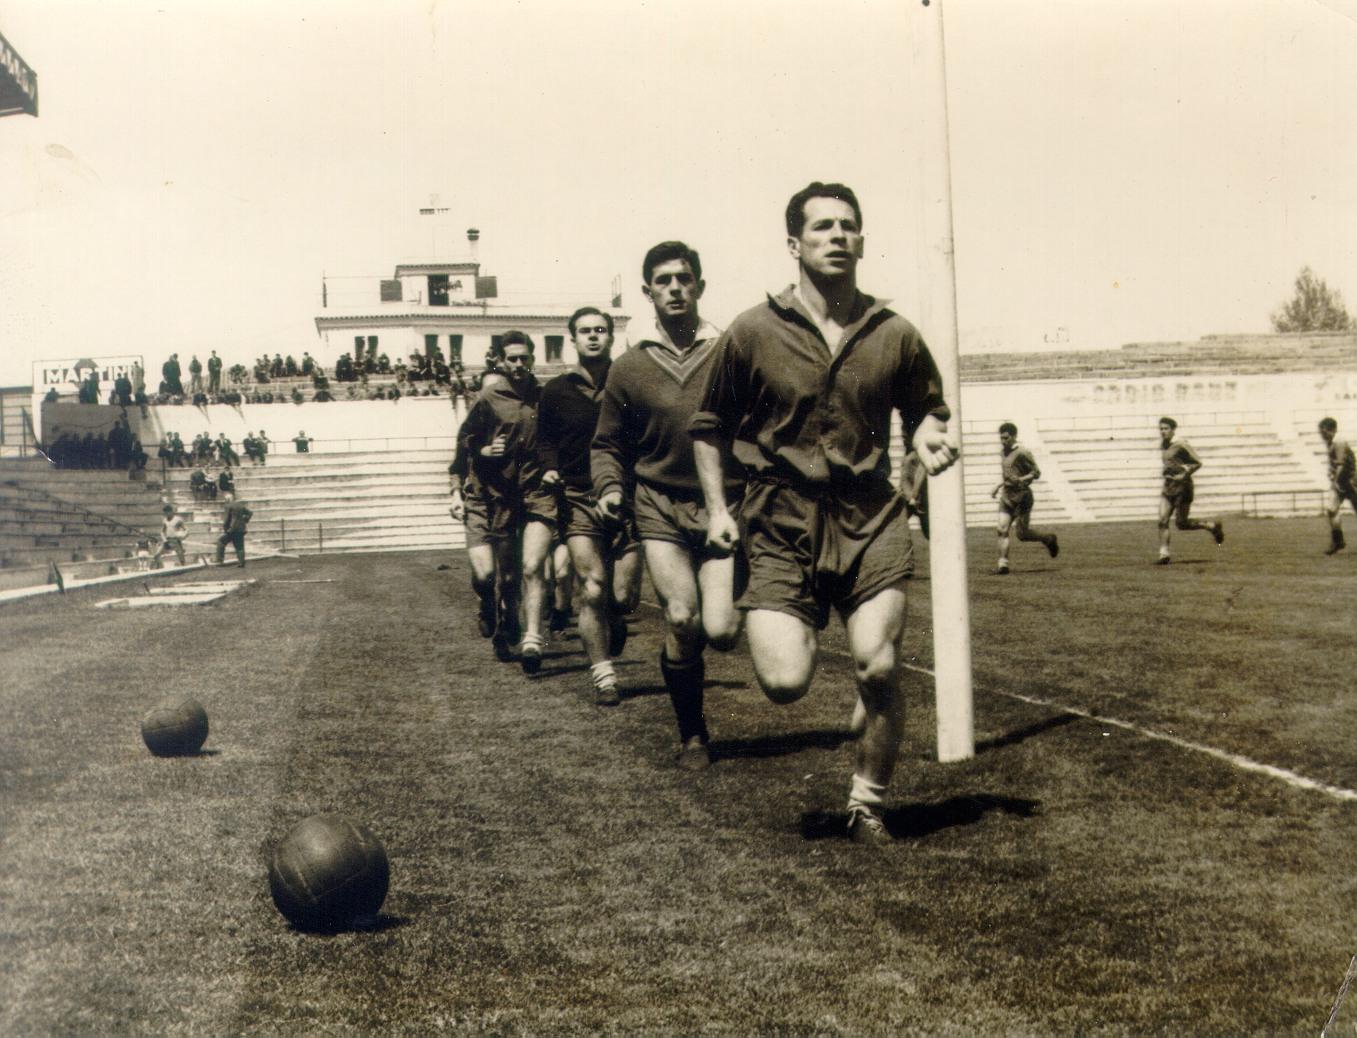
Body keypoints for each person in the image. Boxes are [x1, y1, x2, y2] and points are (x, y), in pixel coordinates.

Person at [689, 182, 960, 843]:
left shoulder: (893, 333)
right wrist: (718, 508)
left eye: (847, 226)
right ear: (794, 245)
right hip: (777, 519)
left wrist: (927, 432)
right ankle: (783, 616)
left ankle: (866, 802)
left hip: (869, 517)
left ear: (861, 241)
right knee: (784, 682)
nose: (836, 236)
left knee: (879, 664)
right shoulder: (752, 331)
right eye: (821, 228)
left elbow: (927, 406)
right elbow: (706, 424)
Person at [593, 241, 741, 763]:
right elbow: (607, 443)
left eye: (684, 278)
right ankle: (692, 733)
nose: (675, 288)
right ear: (647, 292)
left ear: (699, 285)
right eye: (663, 281)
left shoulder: (730, 351)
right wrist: (611, 488)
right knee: (680, 617)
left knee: (720, 629)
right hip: (658, 504)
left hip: (723, 503)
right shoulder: (628, 367)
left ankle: (694, 664)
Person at [537, 306, 643, 704]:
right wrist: (549, 468)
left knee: (623, 597)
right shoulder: (556, 390)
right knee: (592, 588)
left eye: (600, 330)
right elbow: (544, 440)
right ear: (573, 338)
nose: (593, 337)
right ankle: (604, 676)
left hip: (627, 499)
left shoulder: (629, 382)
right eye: (585, 331)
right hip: (578, 497)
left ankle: (614, 619)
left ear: (611, 337)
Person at [456, 332, 555, 669]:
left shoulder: (543, 396)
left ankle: (509, 625)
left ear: (532, 359)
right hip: (497, 494)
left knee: (519, 573)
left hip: (532, 493)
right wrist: (484, 450)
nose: (518, 365)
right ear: (499, 360)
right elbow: (466, 440)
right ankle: (490, 607)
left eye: (524, 358)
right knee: (493, 576)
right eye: (511, 359)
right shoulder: (489, 397)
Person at [991, 422, 1059, 574]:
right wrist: (999, 485)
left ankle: (1048, 539)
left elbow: (1036, 472)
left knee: (1022, 534)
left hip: (1022, 497)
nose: (1003, 441)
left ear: (1014, 436)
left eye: (1006, 438)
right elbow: (1009, 475)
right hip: (1007, 496)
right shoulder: (1003, 452)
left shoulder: (1022, 452)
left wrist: (1022, 479)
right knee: (1001, 529)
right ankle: (1003, 565)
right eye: (1001, 438)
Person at [1156, 416, 1224, 564]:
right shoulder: (1164, 444)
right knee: (1162, 520)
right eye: (1161, 429)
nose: (1162, 431)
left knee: (1181, 524)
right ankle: (1164, 554)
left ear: (1173, 430)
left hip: (1183, 488)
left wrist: (1184, 473)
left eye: (1166, 428)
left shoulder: (1181, 444)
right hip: (1168, 487)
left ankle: (1211, 526)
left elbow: (1197, 462)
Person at [1318, 417, 1357, 554]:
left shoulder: (1338, 441)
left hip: (1351, 481)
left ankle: (1338, 541)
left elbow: (1340, 465)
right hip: (1341, 481)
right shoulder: (1331, 442)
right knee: (1331, 509)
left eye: (1324, 432)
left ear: (1332, 429)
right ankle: (1338, 541)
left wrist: (1335, 481)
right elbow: (1335, 464)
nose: (1322, 435)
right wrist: (1331, 472)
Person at [215, 491, 252, 567]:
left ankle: (219, 561)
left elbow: (226, 519)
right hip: (241, 529)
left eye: (225, 499)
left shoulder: (228, 506)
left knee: (221, 542)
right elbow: (250, 513)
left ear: (228, 499)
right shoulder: (240, 505)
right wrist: (245, 520)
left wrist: (225, 529)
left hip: (232, 529)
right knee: (240, 546)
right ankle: (241, 562)